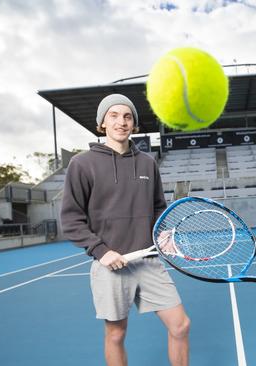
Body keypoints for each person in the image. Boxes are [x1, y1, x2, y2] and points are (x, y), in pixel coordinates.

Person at [60, 94, 190, 366]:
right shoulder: (82, 164)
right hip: (111, 265)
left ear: (134, 124)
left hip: (149, 262)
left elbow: (158, 208)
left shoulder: (147, 163)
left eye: (127, 116)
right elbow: (71, 219)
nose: (121, 122)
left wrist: (162, 233)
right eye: (114, 115)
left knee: (180, 326)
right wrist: (101, 251)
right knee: (116, 334)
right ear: (102, 123)